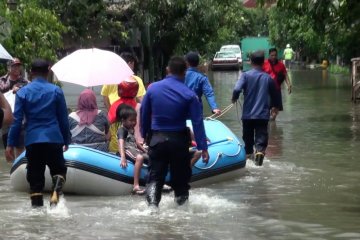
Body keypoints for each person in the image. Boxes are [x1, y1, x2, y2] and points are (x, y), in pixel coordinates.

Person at [141, 56, 209, 208]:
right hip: (178, 142)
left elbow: (144, 115)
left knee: (154, 178)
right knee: (181, 180)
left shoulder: (152, 89)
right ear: (185, 72)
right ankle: (182, 210)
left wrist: (145, 134)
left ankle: (152, 208)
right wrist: (203, 147)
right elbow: (198, 123)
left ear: (167, 70)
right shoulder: (190, 95)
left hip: (157, 141)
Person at [5, 59, 70, 208]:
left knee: (35, 180)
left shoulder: (22, 92)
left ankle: (37, 211)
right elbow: (63, 120)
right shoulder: (56, 91)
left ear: (32, 73)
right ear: (48, 72)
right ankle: (56, 189)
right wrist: (66, 140)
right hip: (54, 139)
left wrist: (10, 144)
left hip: (33, 140)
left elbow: (17, 121)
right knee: (59, 170)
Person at [231, 51, 280, 166]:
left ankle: (248, 163)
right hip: (262, 116)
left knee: (248, 142)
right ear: (263, 62)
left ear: (250, 62)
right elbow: (276, 95)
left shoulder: (245, 75)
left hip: (247, 116)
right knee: (261, 143)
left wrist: (234, 98)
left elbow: (237, 89)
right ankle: (259, 163)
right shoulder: (268, 78)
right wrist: (275, 107)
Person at [117, 103, 147, 194]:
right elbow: (121, 143)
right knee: (140, 158)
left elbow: (135, 142)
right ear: (123, 120)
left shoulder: (131, 129)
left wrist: (144, 150)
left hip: (133, 149)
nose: (134, 122)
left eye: (135, 120)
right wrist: (123, 157)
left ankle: (157, 182)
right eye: (131, 120)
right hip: (126, 150)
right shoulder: (122, 130)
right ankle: (136, 185)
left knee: (151, 156)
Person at [0, 58, 29, 157]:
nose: (17, 68)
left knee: (20, 149)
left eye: (18, 66)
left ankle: (19, 168)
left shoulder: (25, 82)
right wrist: (10, 91)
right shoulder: (1, 81)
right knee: (8, 153)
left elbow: (31, 93)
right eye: (14, 66)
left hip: (20, 120)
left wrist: (20, 89)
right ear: (9, 68)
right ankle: (12, 170)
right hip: (6, 119)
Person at [107, 78, 140, 153]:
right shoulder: (138, 106)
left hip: (116, 146)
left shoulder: (115, 105)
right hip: (135, 144)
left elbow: (109, 123)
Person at [263, 48, 292, 121]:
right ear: (269, 55)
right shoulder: (264, 64)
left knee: (275, 111)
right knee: (266, 110)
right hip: (266, 90)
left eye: (275, 55)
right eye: (272, 55)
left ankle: (272, 125)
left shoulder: (281, 65)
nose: (274, 57)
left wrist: (289, 85)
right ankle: (267, 126)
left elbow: (285, 75)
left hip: (276, 90)